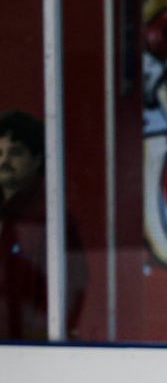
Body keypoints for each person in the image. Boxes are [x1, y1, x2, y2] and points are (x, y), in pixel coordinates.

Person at [0, 109, 88, 340]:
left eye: (15, 153)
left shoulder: (51, 219)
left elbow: (71, 287)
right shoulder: (10, 215)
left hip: (30, 356)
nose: (4, 161)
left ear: (36, 160)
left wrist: (39, 346)